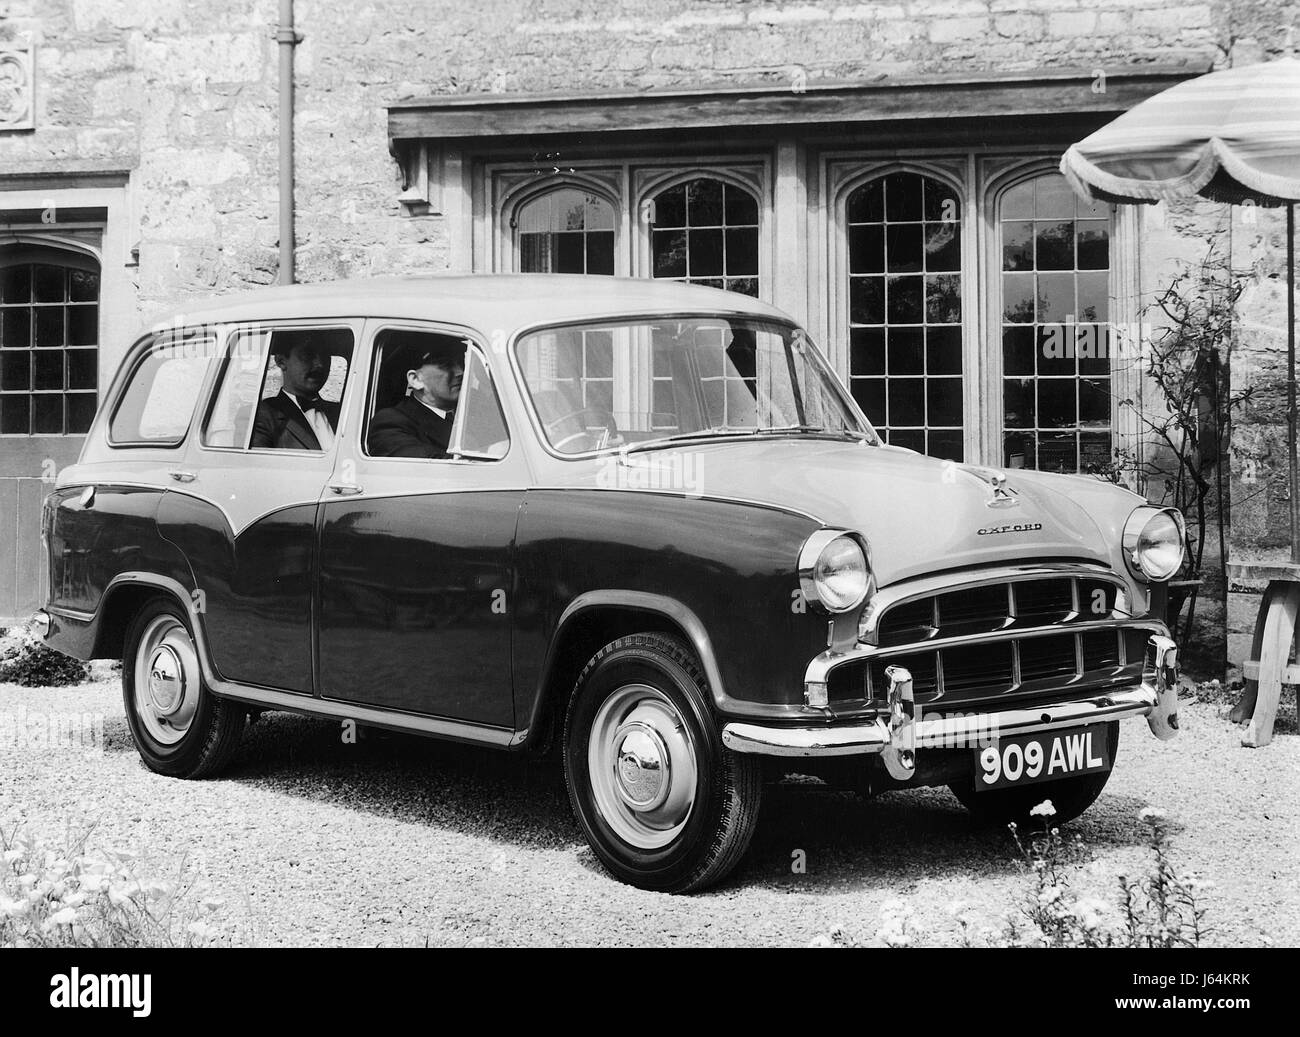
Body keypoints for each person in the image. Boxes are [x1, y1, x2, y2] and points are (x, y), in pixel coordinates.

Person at [367, 342, 464, 458]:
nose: (460, 372)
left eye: (460, 363)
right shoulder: (391, 422)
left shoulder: (475, 413)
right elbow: (430, 467)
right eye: (446, 365)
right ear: (416, 380)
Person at [250, 337, 341, 451]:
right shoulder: (260, 415)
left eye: (325, 356)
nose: (320, 364)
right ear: (281, 361)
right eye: (308, 355)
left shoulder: (343, 413)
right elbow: (257, 466)